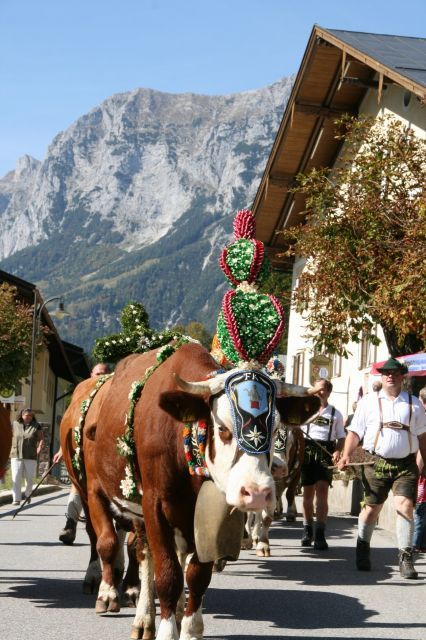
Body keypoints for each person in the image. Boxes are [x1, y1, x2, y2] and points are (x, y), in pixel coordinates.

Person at [338, 357, 426, 579]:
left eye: (395, 373)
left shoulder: (414, 403)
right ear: (382, 376)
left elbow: (423, 436)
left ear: (402, 376)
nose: (390, 376)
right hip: (375, 462)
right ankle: (362, 546)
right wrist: (346, 455)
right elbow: (354, 432)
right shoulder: (368, 401)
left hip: (405, 464)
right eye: (386, 373)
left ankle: (405, 558)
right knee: (372, 509)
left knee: (405, 506)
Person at [55, 362, 110, 544]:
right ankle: (70, 524)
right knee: (78, 486)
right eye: (98, 373)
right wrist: (63, 449)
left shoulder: (112, 393)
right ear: (91, 375)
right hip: (83, 452)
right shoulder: (83, 393)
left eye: (105, 373)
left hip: (106, 455)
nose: (101, 376)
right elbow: (71, 424)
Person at [300, 378, 346, 550]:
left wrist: (338, 451)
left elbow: (341, 437)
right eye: (316, 389)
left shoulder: (336, 414)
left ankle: (320, 534)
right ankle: (307, 529)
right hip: (307, 451)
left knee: (322, 491)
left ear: (328, 392)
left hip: (326, 452)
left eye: (322, 389)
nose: (319, 392)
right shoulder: (305, 409)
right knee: (307, 494)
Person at [10, 408, 44, 504]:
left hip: (31, 455)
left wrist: (40, 447)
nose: (29, 417)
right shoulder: (14, 424)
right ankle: (16, 499)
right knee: (16, 477)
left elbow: (41, 438)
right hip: (16, 454)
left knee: (29, 478)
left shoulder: (36, 426)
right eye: (26, 415)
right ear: (22, 415)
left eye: (30, 415)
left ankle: (28, 494)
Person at [413, 387, 426, 554]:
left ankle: (416, 544)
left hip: (424, 473)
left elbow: (422, 452)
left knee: (421, 509)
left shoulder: (423, 419)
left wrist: (417, 470)